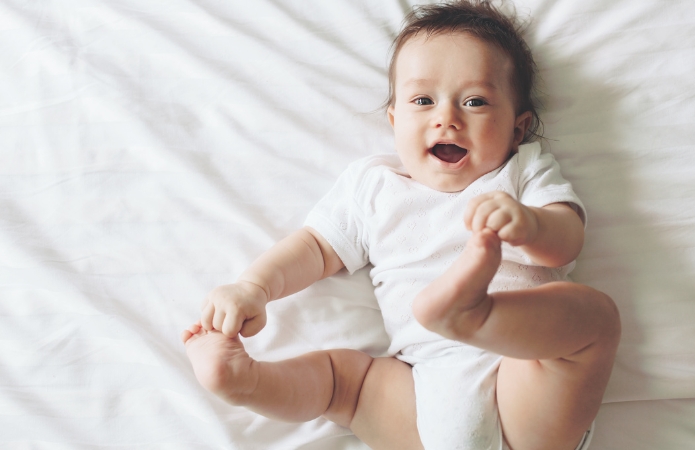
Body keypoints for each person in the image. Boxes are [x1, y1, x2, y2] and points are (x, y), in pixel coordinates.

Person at [181, 1, 620, 449]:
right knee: (343, 385)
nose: (446, 117)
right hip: (427, 388)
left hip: (515, 370)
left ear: (517, 129)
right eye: (422, 100)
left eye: (475, 101)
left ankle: (474, 316)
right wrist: (255, 288)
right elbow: (315, 247)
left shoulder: (522, 171)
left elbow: (566, 241)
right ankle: (244, 380)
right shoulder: (374, 185)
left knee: (345, 388)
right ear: (394, 120)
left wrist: (531, 227)